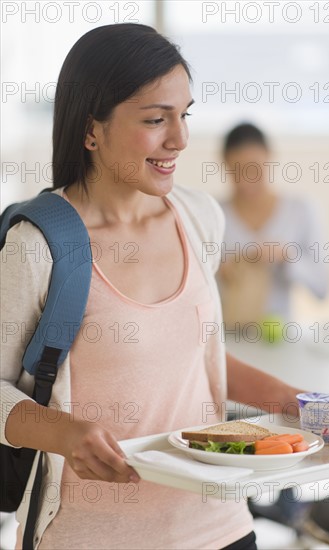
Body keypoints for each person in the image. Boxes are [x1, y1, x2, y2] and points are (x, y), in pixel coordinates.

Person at [1, 25, 304, 550]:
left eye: (183, 115)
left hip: (222, 528)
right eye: (155, 119)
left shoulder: (198, 217)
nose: (179, 139)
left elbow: (191, 358)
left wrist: (286, 399)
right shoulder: (38, 246)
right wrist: (64, 435)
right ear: (91, 129)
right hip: (94, 537)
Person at [218, 123, 329, 329]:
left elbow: (322, 289)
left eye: (255, 170)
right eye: (237, 171)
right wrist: (215, 272)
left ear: (270, 158)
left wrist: (287, 256)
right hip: (228, 338)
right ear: (224, 164)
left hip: (281, 338)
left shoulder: (301, 210)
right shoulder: (213, 213)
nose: (247, 182)